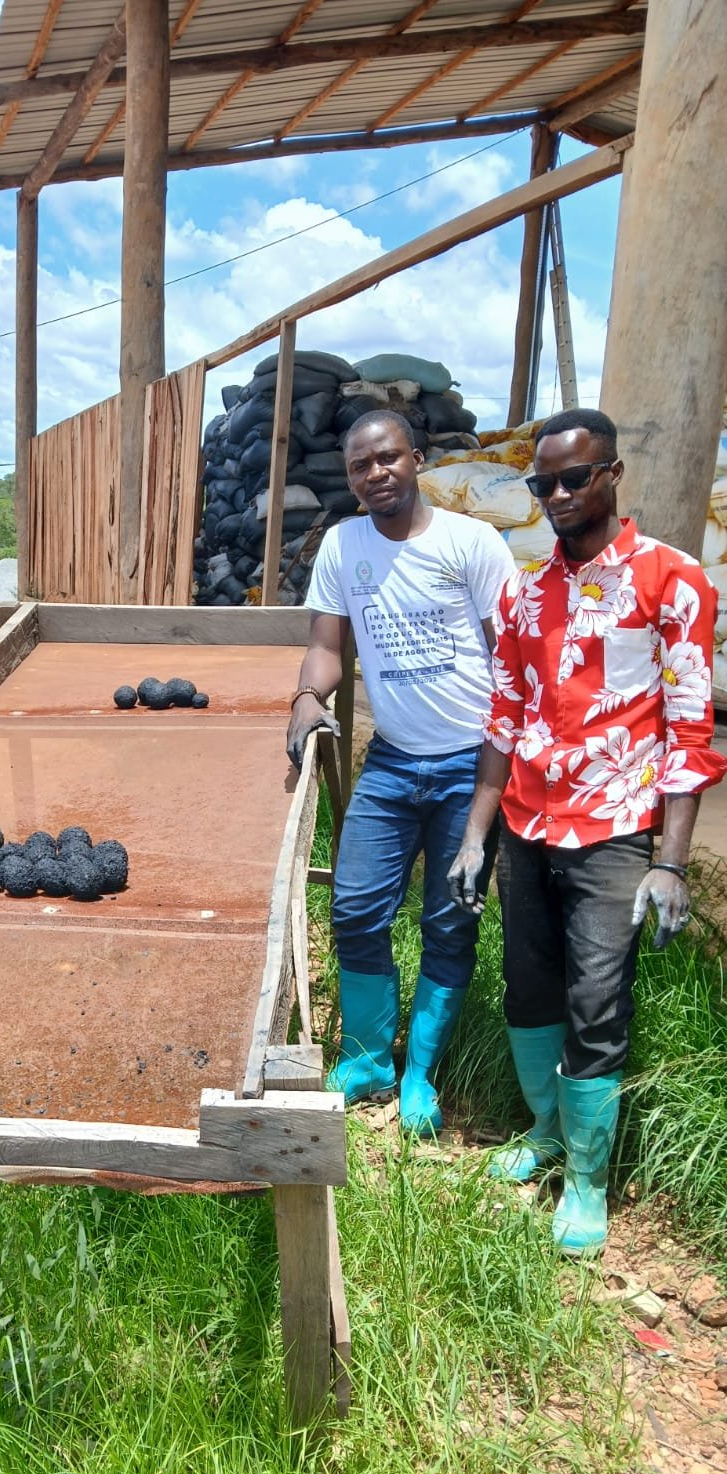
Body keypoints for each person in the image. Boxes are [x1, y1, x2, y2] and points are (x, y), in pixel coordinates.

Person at [447, 408, 726, 1253]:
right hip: (527, 827)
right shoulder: (527, 593)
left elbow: (689, 728)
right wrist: (474, 837)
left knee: (597, 999)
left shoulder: (670, 580)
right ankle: (545, 1135)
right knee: (528, 985)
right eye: (543, 485)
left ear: (611, 475)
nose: (559, 495)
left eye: (576, 478)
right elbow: (504, 721)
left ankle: (591, 1183)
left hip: (612, 831)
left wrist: (670, 864)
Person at [286, 411, 516, 1136]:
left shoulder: (470, 542)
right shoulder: (342, 545)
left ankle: (419, 1070)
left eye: (388, 458)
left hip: (467, 764)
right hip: (390, 760)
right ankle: (367, 1060)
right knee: (355, 908)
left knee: (450, 921)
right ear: (351, 478)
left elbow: (507, 657)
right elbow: (328, 645)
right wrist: (305, 697)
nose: (375, 472)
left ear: (416, 460)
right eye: (360, 465)